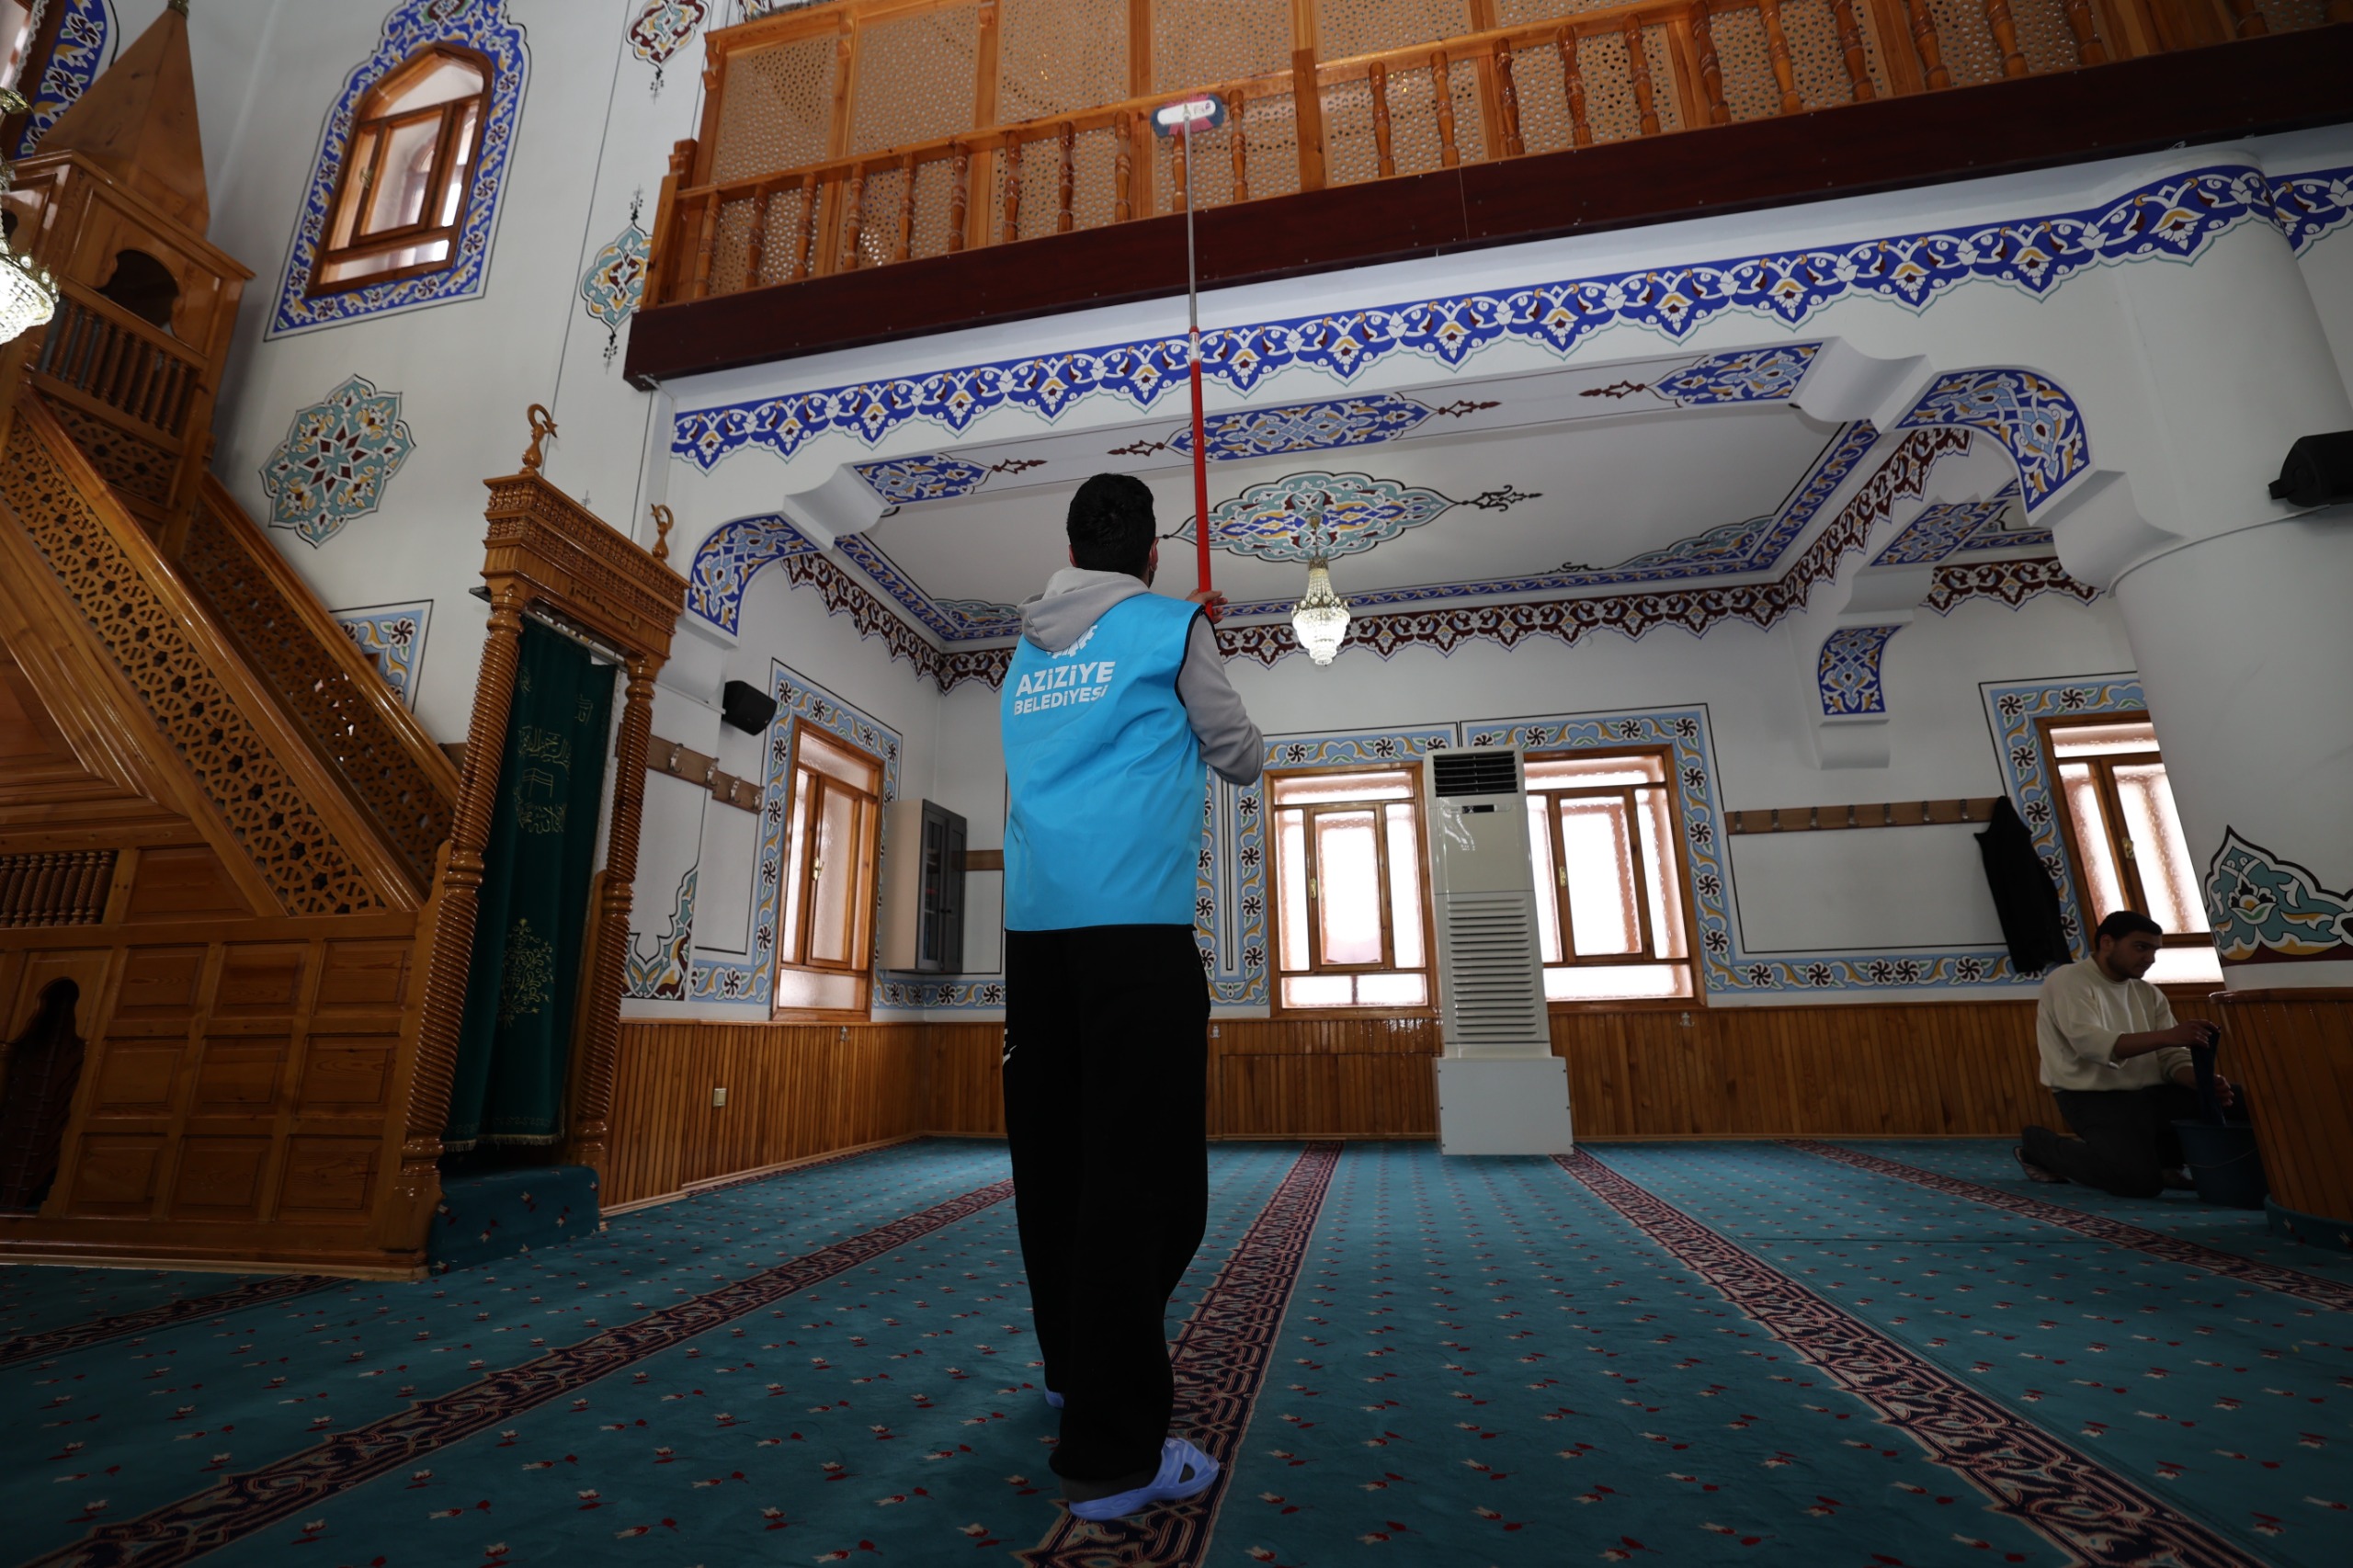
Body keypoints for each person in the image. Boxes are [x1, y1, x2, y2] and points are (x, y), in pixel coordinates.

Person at [999, 472, 1264, 1523]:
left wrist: (1177, 632)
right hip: (1135, 939)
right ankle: (1112, 1457)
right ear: (1151, 554)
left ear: (1072, 549)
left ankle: (1076, 1369)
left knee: (1055, 1167)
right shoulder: (1171, 626)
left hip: (1035, 938)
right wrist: (1195, 638)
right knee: (1144, 1189)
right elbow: (1241, 757)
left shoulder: (1025, 644)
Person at [2016, 910, 2234, 1198]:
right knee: (2137, 1183)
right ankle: (2037, 1145)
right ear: (2107, 942)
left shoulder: (2148, 993)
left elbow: (2171, 1058)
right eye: (2141, 947)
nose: (2149, 958)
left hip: (2150, 1096)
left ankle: (2165, 1161)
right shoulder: (2069, 980)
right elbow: (2090, 1044)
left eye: (2154, 950)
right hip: (2094, 1098)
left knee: (2240, 1102)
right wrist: (2167, 1036)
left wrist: (2199, 1080)